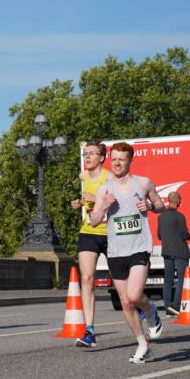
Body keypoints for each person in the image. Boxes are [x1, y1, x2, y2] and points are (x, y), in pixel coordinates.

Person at [89, 141, 165, 363]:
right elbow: (93, 221)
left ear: (131, 161)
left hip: (139, 247)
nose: (117, 163)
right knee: (126, 302)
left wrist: (149, 207)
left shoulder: (142, 183)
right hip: (116, 251)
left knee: (134, 295)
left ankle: (150, 310)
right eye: (114, 159)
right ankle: (143, 344)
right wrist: (103, 206)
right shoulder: (104, 188)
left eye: (121, 159)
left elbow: (161, 205)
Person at [71, 140, 110, 347]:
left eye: (92, 153)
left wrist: (95, 198)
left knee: (123, 284)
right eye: (85, 153)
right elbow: (88, 203)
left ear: (102, 158)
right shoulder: (84, 176)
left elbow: (118, 202)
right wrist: (80, 203)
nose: (87, 157)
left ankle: (140, 309)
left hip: (110, 233)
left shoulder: (109, 177)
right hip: (88, 231)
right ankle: (90, 331)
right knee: (86, 279)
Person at [157, 191, 190, 316]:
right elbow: (183, 234)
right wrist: (189, 235)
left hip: (166, 251)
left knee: (168, 279)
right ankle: (176, 305)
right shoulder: (180, 216)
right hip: (180, 251)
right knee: (181, 279)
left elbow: (159, 235)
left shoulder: (161, 216)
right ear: (177, 201)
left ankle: (167, 306)